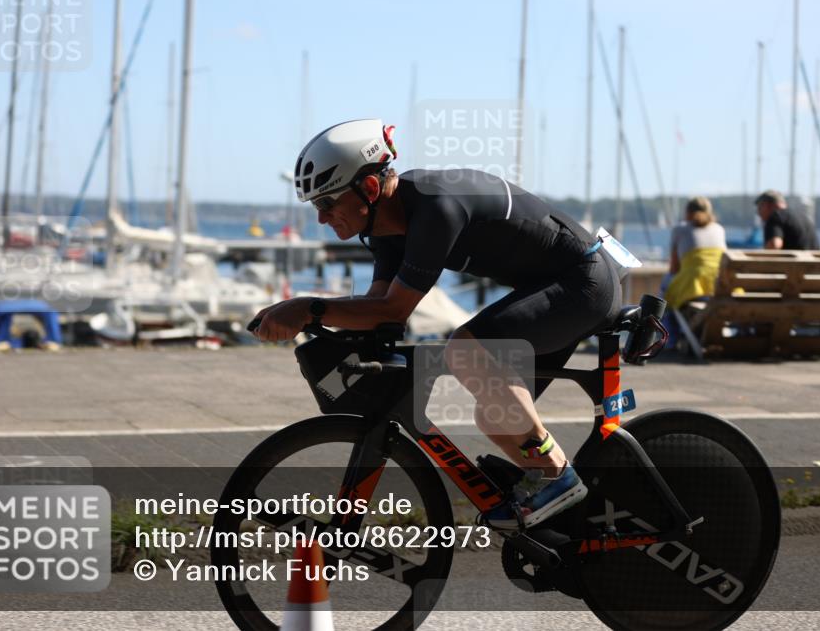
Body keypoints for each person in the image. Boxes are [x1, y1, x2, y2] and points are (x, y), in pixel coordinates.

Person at [253, 119, 622, 528]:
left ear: (370, 190)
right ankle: (569, 519)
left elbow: (394, 310)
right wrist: (307, 319)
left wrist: (308, 308)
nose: (322, 218)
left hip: (584, 281)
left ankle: (556, 475)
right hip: (552, 285)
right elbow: (377, 306)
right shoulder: (385, 227)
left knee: (467, 351)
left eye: (326, 204)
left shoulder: (436, 209)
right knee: (495, 416)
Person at [663, 196, 726, 311]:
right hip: (720, 285)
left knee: (665, 285)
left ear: (687, 212)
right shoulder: (719, 229)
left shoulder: (679, 229)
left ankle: (664, 325)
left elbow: (674, 268)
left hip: (692, 286)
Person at [755, 190, 820, 250]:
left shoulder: (776, 216)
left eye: (760, 207)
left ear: (767, 205)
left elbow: (774, 245)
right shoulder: (804, 217)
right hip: (814, 261)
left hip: (793, 262)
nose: (758, 213)